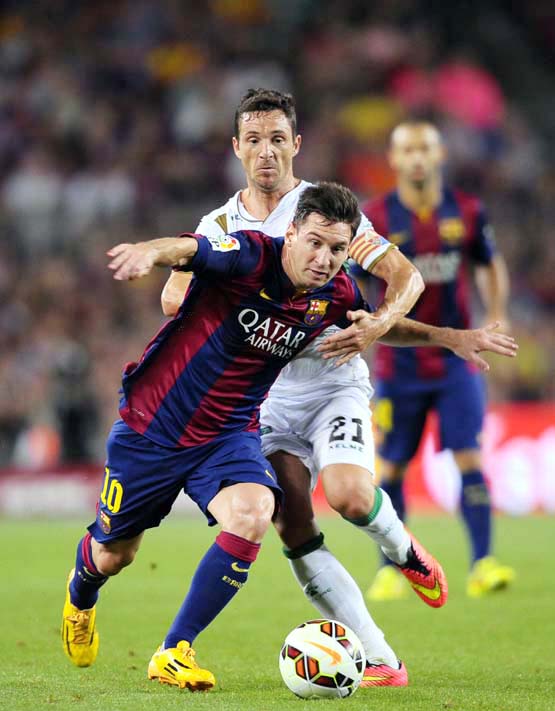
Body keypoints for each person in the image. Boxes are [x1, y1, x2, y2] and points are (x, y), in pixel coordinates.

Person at [160, 90, 517, 687]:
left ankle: (404, 552)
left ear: (295, 145)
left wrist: (380, 323)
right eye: (254, 140)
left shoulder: (326, 213)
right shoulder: (219, 226)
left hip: (333, 383)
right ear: (237, 149)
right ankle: (383, 660)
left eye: (278, 139)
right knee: (293, 525)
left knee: (350, 496)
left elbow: (400, 277)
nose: (266, 152)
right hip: (264, 398)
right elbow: (173, 297)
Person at [362, 121, 516, 602]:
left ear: (440, 152)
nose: (417, 158)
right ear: (394, 158)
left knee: (470, 455)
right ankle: (392, 568)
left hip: (456, 361)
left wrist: (496, 313)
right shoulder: (376, 216)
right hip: (398, 364)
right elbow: (354, 275)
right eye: (407, 149)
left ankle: (482, 563)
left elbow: (489, 262)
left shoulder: (467, 211)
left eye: (425, 148)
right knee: (390, 467)